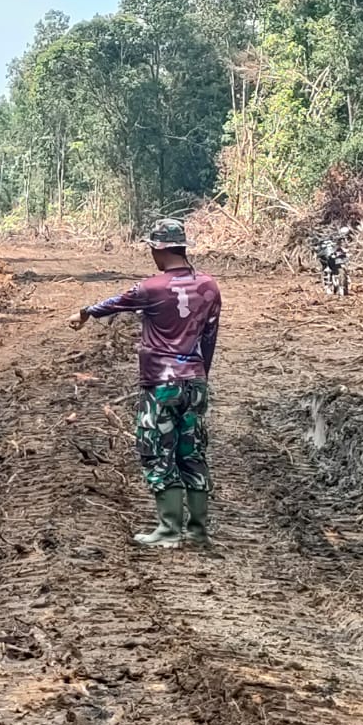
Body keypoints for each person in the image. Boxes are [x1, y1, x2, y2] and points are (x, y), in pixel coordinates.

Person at [68, 218, 222, 548]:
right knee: (192, 452)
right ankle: (198, 531)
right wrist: (201, 377)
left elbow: (113, 304)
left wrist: (84, 312)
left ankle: (168, 530)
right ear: (183, 247)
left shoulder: (150, 289)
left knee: (156, 451)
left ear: (157, 249)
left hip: (160, 385)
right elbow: (209, 338)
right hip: (195, 382)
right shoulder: (209, 287)